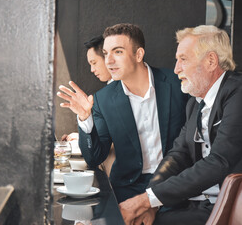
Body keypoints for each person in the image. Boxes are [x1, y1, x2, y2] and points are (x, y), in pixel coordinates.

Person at [119, 25, 242, 225]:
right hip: (210, 201)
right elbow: (178, 154)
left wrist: (144, 201)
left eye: (183, 59)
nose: (176, 69)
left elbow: (219, 161)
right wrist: (151, 202)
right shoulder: (195, 103)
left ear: (210, 61)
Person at [57, 23, 188, 203]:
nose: (109, 61)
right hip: (127, 190)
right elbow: (94, 157)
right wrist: (85, 118)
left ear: (139, 54)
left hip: (172, 185)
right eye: (105, 53)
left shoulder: (176, 84)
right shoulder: (103, 99)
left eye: (117, 52)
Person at [61, 35, 112, 142]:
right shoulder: (107, 93)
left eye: (94, 63)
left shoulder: (126, 90)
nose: (92, 70)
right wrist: (83, 137)